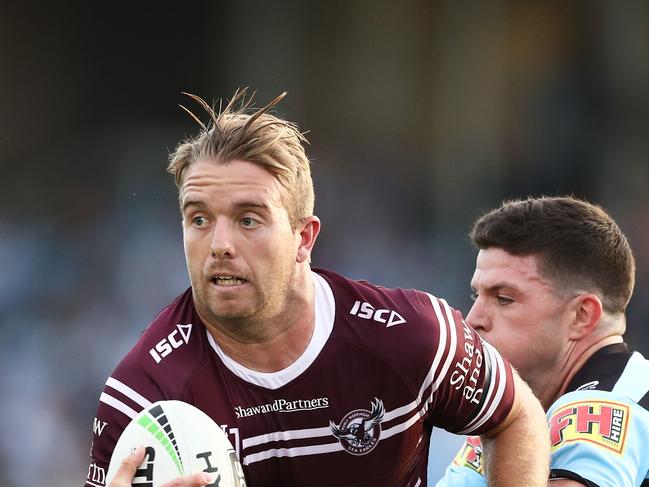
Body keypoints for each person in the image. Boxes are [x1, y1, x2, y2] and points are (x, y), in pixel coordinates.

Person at [85, 89, 549, 487]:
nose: (219, 245)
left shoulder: (411, 335)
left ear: (303, 238)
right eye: (199, 219)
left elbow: (516, 417)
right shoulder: (143, 397)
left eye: (248, 219)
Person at [436, 196, 649, 487]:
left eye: (504, 299)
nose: (473, 320)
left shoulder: (615, 400)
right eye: (477, 295)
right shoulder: (513, 409)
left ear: (581, 315)